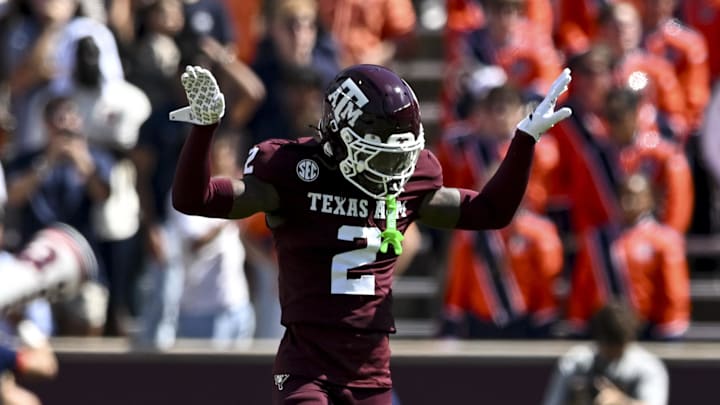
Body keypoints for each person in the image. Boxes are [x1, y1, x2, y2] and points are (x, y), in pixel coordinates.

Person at [170, 63, 573, 403]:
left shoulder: (410, 179)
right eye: (380, 155)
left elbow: (490, 211)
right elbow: (197, 199)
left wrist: (523, 141)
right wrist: (204, 129)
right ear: (339, 138)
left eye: (400, 156)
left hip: (371, 370)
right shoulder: (292, 169)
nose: (392, 170)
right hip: (306, 365)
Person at [542, 300, 669, 405]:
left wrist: (622, 402)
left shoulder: (648, 366)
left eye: (617, 346)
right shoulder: (575, 363)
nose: (611, 352)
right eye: (608, 344)